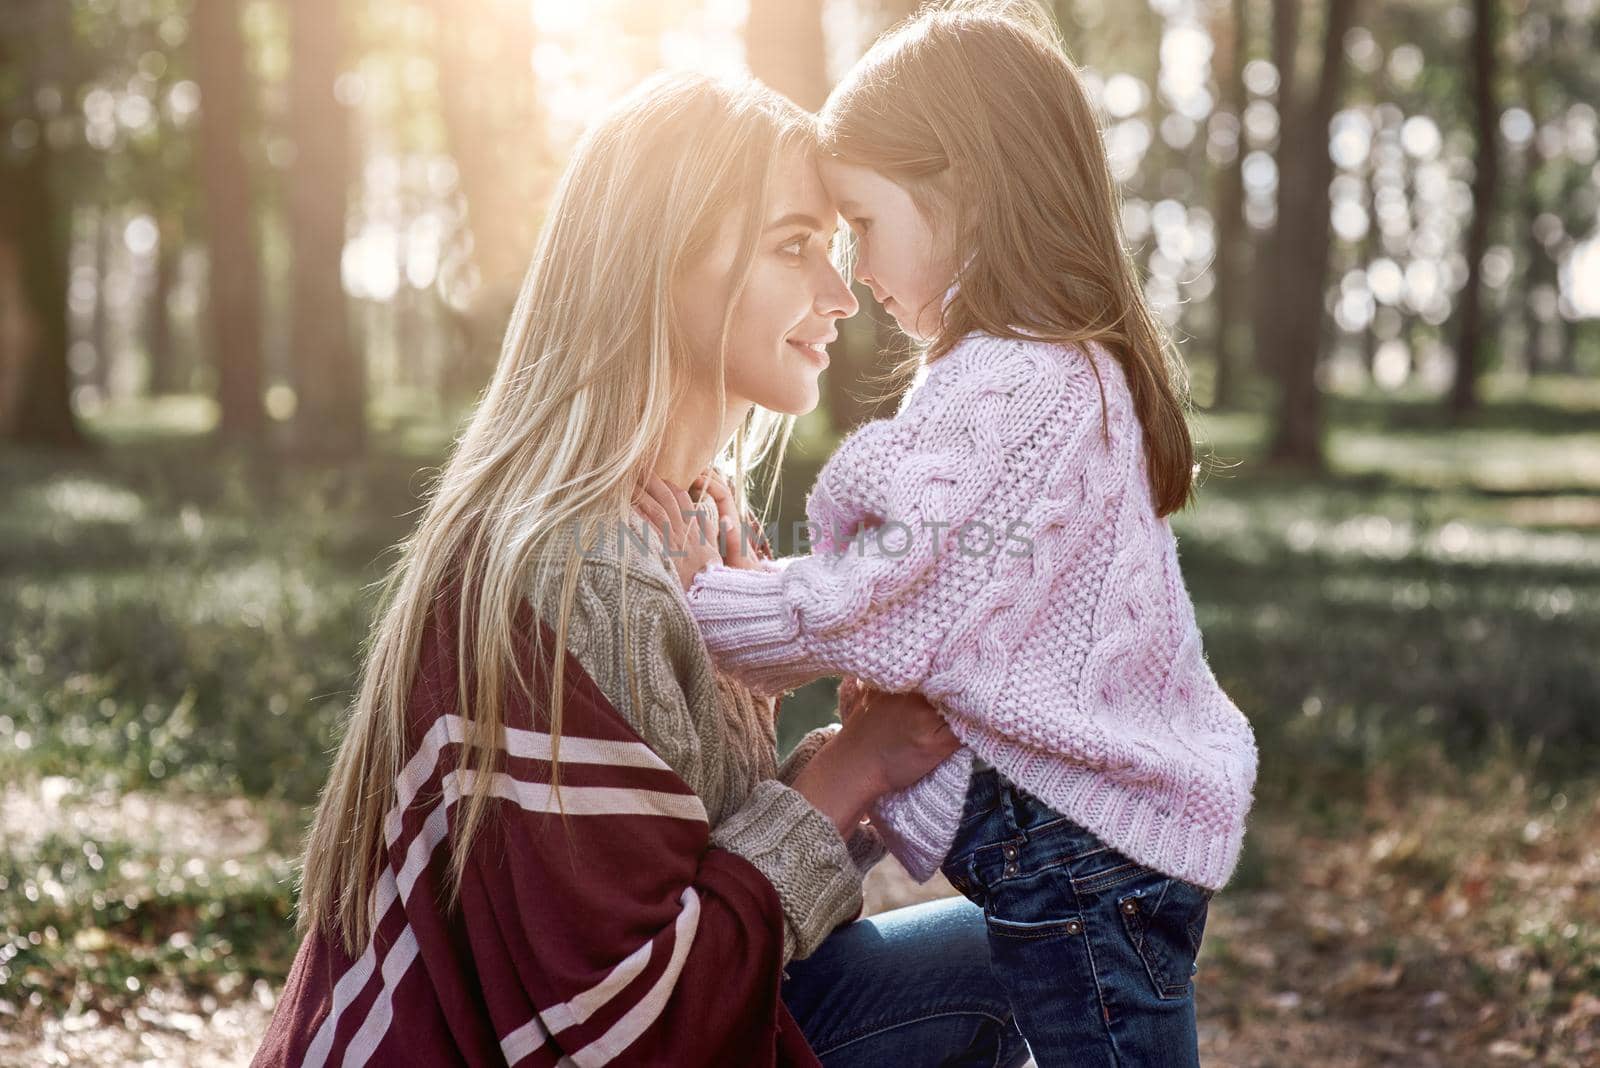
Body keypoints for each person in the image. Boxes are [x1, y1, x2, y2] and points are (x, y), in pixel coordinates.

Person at [252, 70, 1028, 1067]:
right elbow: (618, 1029)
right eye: (795, 245)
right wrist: (846, 773)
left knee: (1022, 942)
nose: (839, 297)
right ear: (660, 263)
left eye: (836, 250)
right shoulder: (573, 569)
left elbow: (666, 887)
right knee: (1008, 967)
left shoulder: (684, 522)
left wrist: (764, 710)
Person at [675, 3, 1260, 1064]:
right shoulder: (1042, 368)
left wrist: (692, 602)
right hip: (1096, 854)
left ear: (965, 195)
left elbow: (876, 603)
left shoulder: (1018, 382)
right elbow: (953, 608)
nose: (851, 274)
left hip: (1080, 859)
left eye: (862, 222)